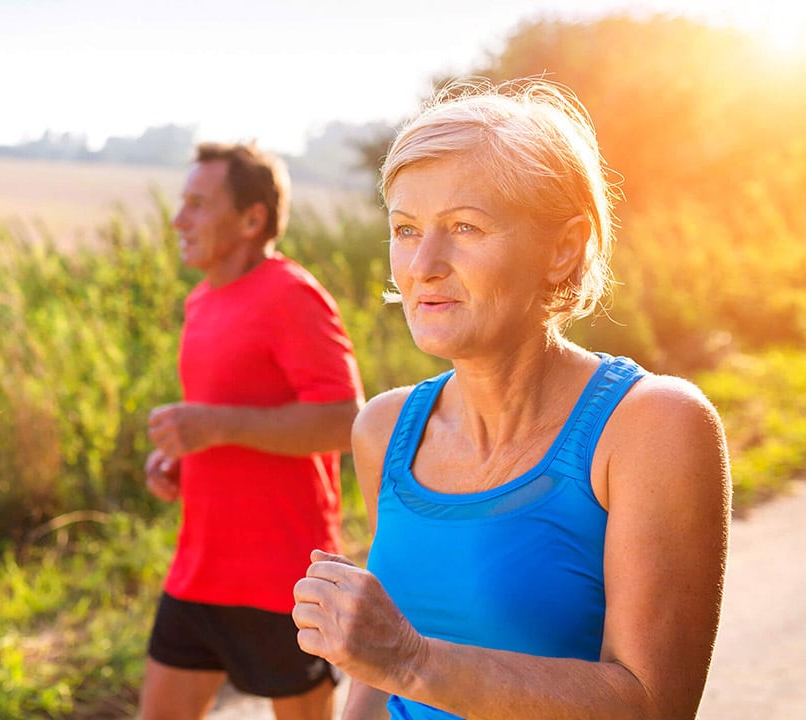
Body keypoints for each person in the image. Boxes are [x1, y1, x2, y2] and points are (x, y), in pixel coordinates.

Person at [291, 78, 731, 720]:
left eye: (464, 227)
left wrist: (414, 660)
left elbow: (651, 704)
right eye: (406, 229)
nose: (424, 265)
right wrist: (389, 663)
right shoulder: (385, 428)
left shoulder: (651, 426)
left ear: (563, 248)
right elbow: (373, 680)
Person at [139, 141, 366, 720]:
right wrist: (183, 459)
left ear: (251, 218)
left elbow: (345, 421)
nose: (178, 219)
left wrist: (213, 426)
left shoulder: (292, 295)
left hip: (283, 576)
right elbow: (226, 424)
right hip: (200, 568)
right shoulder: (201, 301)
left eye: (196, 203)